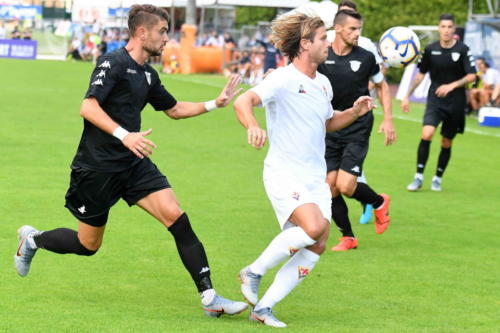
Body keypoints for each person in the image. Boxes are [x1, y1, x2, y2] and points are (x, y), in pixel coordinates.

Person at [14, 4, 248, 318]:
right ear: (141, 32)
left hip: (133, 164)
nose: (167, 38)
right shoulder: (112, 63)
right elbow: (88, 107)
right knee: (88, 245)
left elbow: (174, 109)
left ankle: (210, 296)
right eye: (163, 31)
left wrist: (214, 103)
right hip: (96, 167)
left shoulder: (148, 75)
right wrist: (125, 135)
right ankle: (33, 240)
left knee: (177, 219)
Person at [233, 13, 374, 327]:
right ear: (305, 43)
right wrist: (253, 126)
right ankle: (252, 271)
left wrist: (353, 112)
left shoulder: (322, 82)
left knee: (319, 241)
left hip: (315, 177)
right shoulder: (282, 78)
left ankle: (264, 308)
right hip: (284, 172)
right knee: (312, 228)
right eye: (323, 38)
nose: (328, 43)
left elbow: (326, 123)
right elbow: (244, 102)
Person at [317, 10, 394, 251]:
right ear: (337, 29)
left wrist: (388, 119)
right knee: (330, 186)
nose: (357, 33)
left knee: (347, 186)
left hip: (357, 128)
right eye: (352, 29)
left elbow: (382, 87)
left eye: (359, 29)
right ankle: (348, 237)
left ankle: (379, 202)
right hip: (329, 126)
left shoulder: (366, 57)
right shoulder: (323, 54)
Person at [402, 14, 476, 192]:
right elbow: (420, 75)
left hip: (456, 102)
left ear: (454, 29)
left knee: (446, 142)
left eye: (450, 27)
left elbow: (472, 75)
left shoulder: (463, 49)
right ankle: (418, 177)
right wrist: (407, 95)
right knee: (427, 134)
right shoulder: (430, 49)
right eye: (443, 27)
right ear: (438, 28)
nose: (446, 30)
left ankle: (437, 178)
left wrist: (451, 86)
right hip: (435, 100)